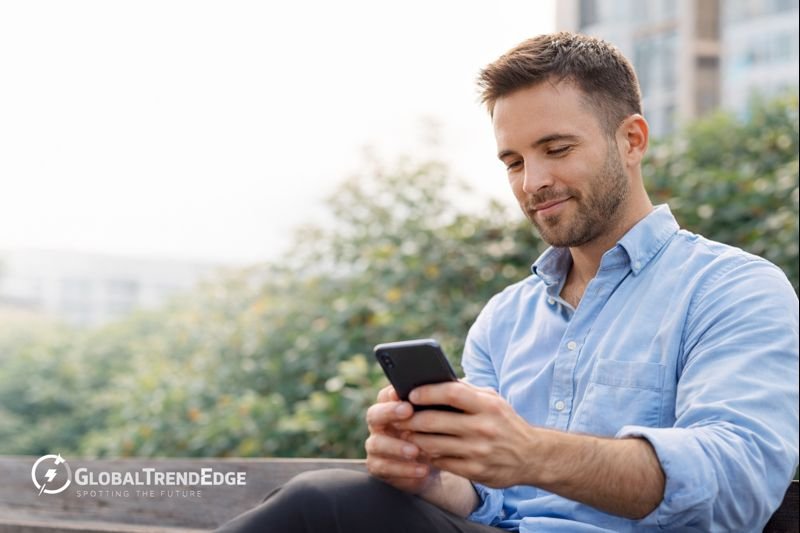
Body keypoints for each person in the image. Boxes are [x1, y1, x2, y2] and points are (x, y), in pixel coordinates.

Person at [217, 31, 799, 533]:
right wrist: (433, 479)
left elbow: (738, 481)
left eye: (557, 149)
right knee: (340, 501)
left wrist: (532, 453)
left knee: (323, 503)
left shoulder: (734, 289)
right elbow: (489, 501)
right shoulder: (505, 318)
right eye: (514, 162)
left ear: (632, 140)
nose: (533, 182)